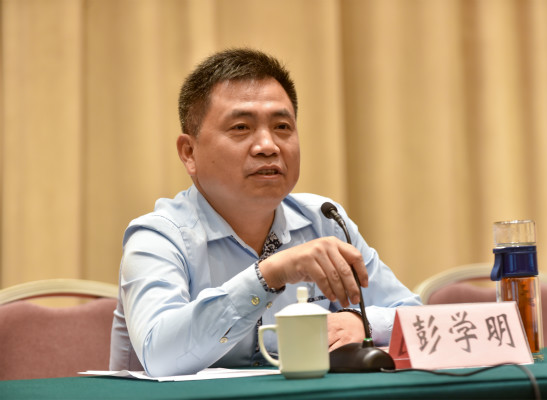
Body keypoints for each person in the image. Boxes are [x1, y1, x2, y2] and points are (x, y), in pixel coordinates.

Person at [109, 48, 421, 377]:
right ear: (189, 152)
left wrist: (362, 321)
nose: (268, 146)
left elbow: (417, 319)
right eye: (241, 128)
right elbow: (159, 355)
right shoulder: (158, 236)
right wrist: (269, 275)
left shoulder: (323, 220)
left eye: (282, 126)